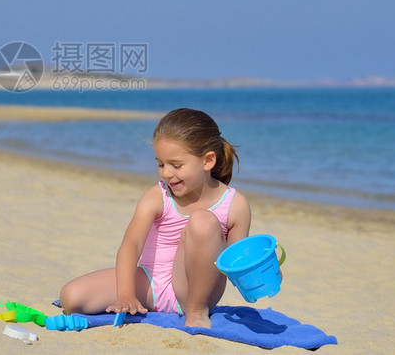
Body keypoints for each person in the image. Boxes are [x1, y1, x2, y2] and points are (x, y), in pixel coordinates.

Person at [59, 108, 251, 328]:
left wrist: (261, 268)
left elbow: (237, 261)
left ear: (207, 161)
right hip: (150, 283)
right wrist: (126, 294)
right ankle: (151, 301)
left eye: (176, 165)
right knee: (71, 297)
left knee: (202, 221)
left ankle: (196, 312)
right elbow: (132, 244)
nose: (166, 173)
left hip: (194, 291)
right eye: (161, 164)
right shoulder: (157, 196)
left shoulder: (235, 205)